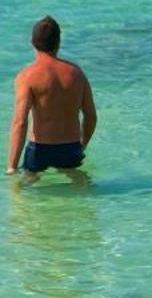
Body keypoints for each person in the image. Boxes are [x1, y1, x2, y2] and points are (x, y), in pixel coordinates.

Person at [6, 15, 97, 182]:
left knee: (21, 190)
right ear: (58, 42)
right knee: (81, 185)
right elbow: (91, 116)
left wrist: (12, 166)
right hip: (70, 148)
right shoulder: (76, 73)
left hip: (39, 150)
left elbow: (20, 122)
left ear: (32, 42)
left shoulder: (27, 76)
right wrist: (82, 146)